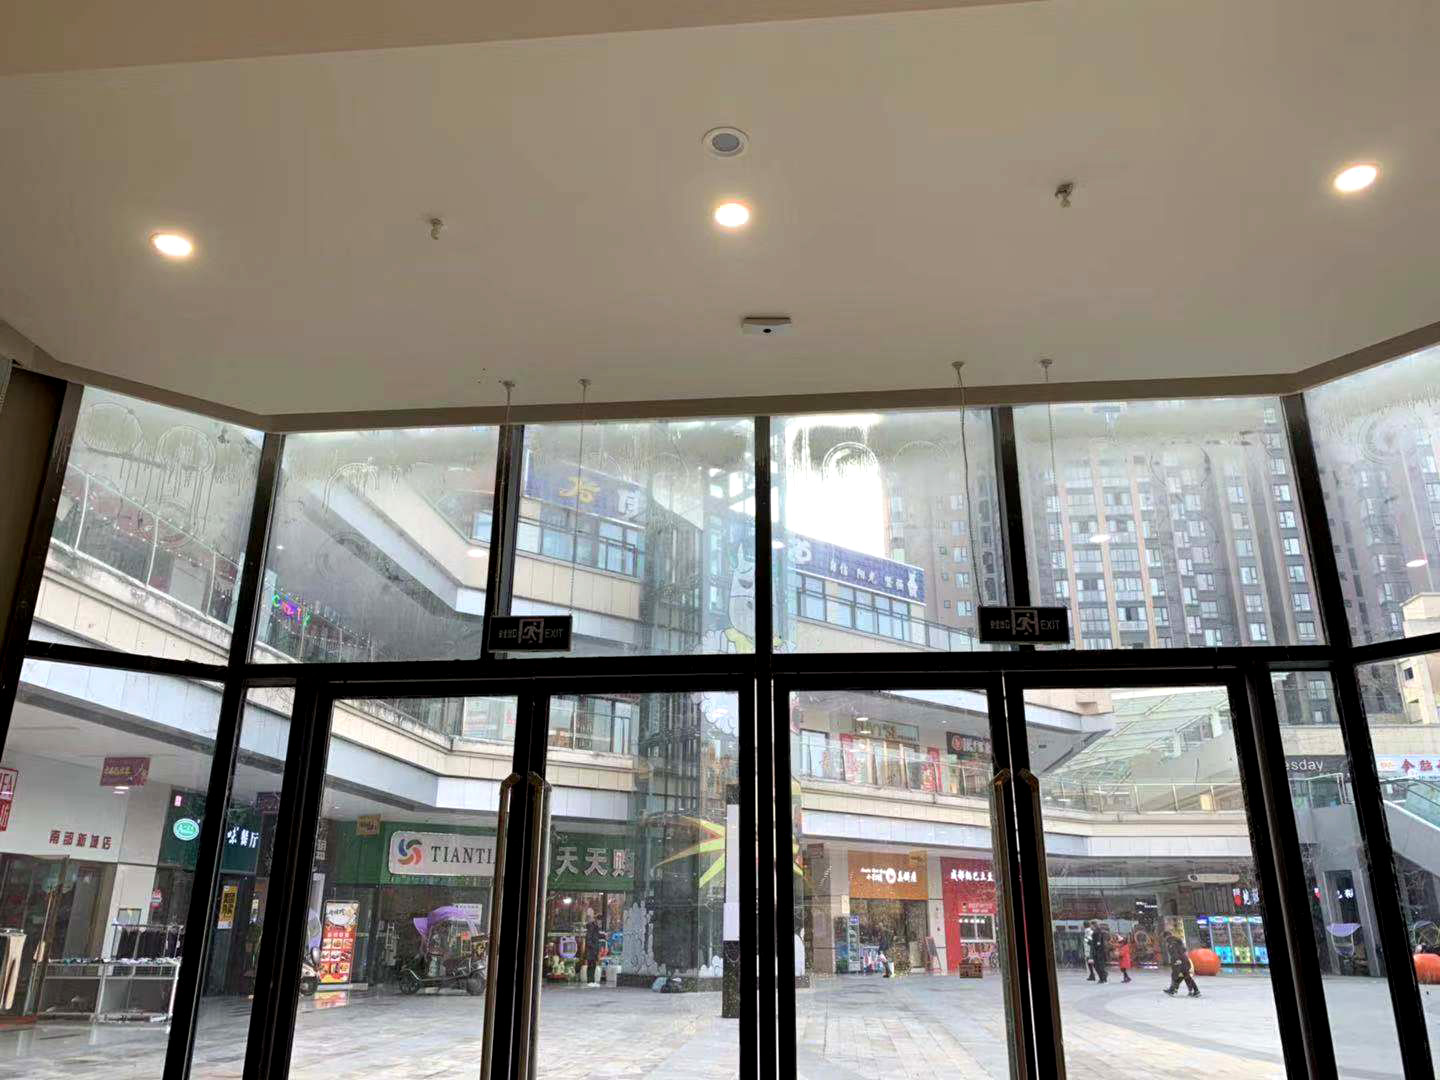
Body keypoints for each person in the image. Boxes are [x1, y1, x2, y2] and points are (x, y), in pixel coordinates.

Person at [1164, 932, 1200, 997]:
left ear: (1166, 936)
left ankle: (1173, 990)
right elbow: (1184, 950)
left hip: (1179, 962)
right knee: (1185, 976)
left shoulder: (1171, 943)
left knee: (1176, 976)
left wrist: (1177, 960)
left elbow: (1174, 953)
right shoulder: (1178, 941)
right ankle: (1194, 991)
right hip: (1184, 960)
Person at [585, 915, 602, 986]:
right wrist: (593, 947)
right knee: (591, 965)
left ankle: (592, 981)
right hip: (591, 950)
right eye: (599, 921)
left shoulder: (596, 927)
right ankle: (590, 981)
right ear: (597, 920)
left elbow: (596, 936)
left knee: (593, 965)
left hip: (594, 949)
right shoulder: (592, 927)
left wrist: (603, 936)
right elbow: (589, 939)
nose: (600, 923)